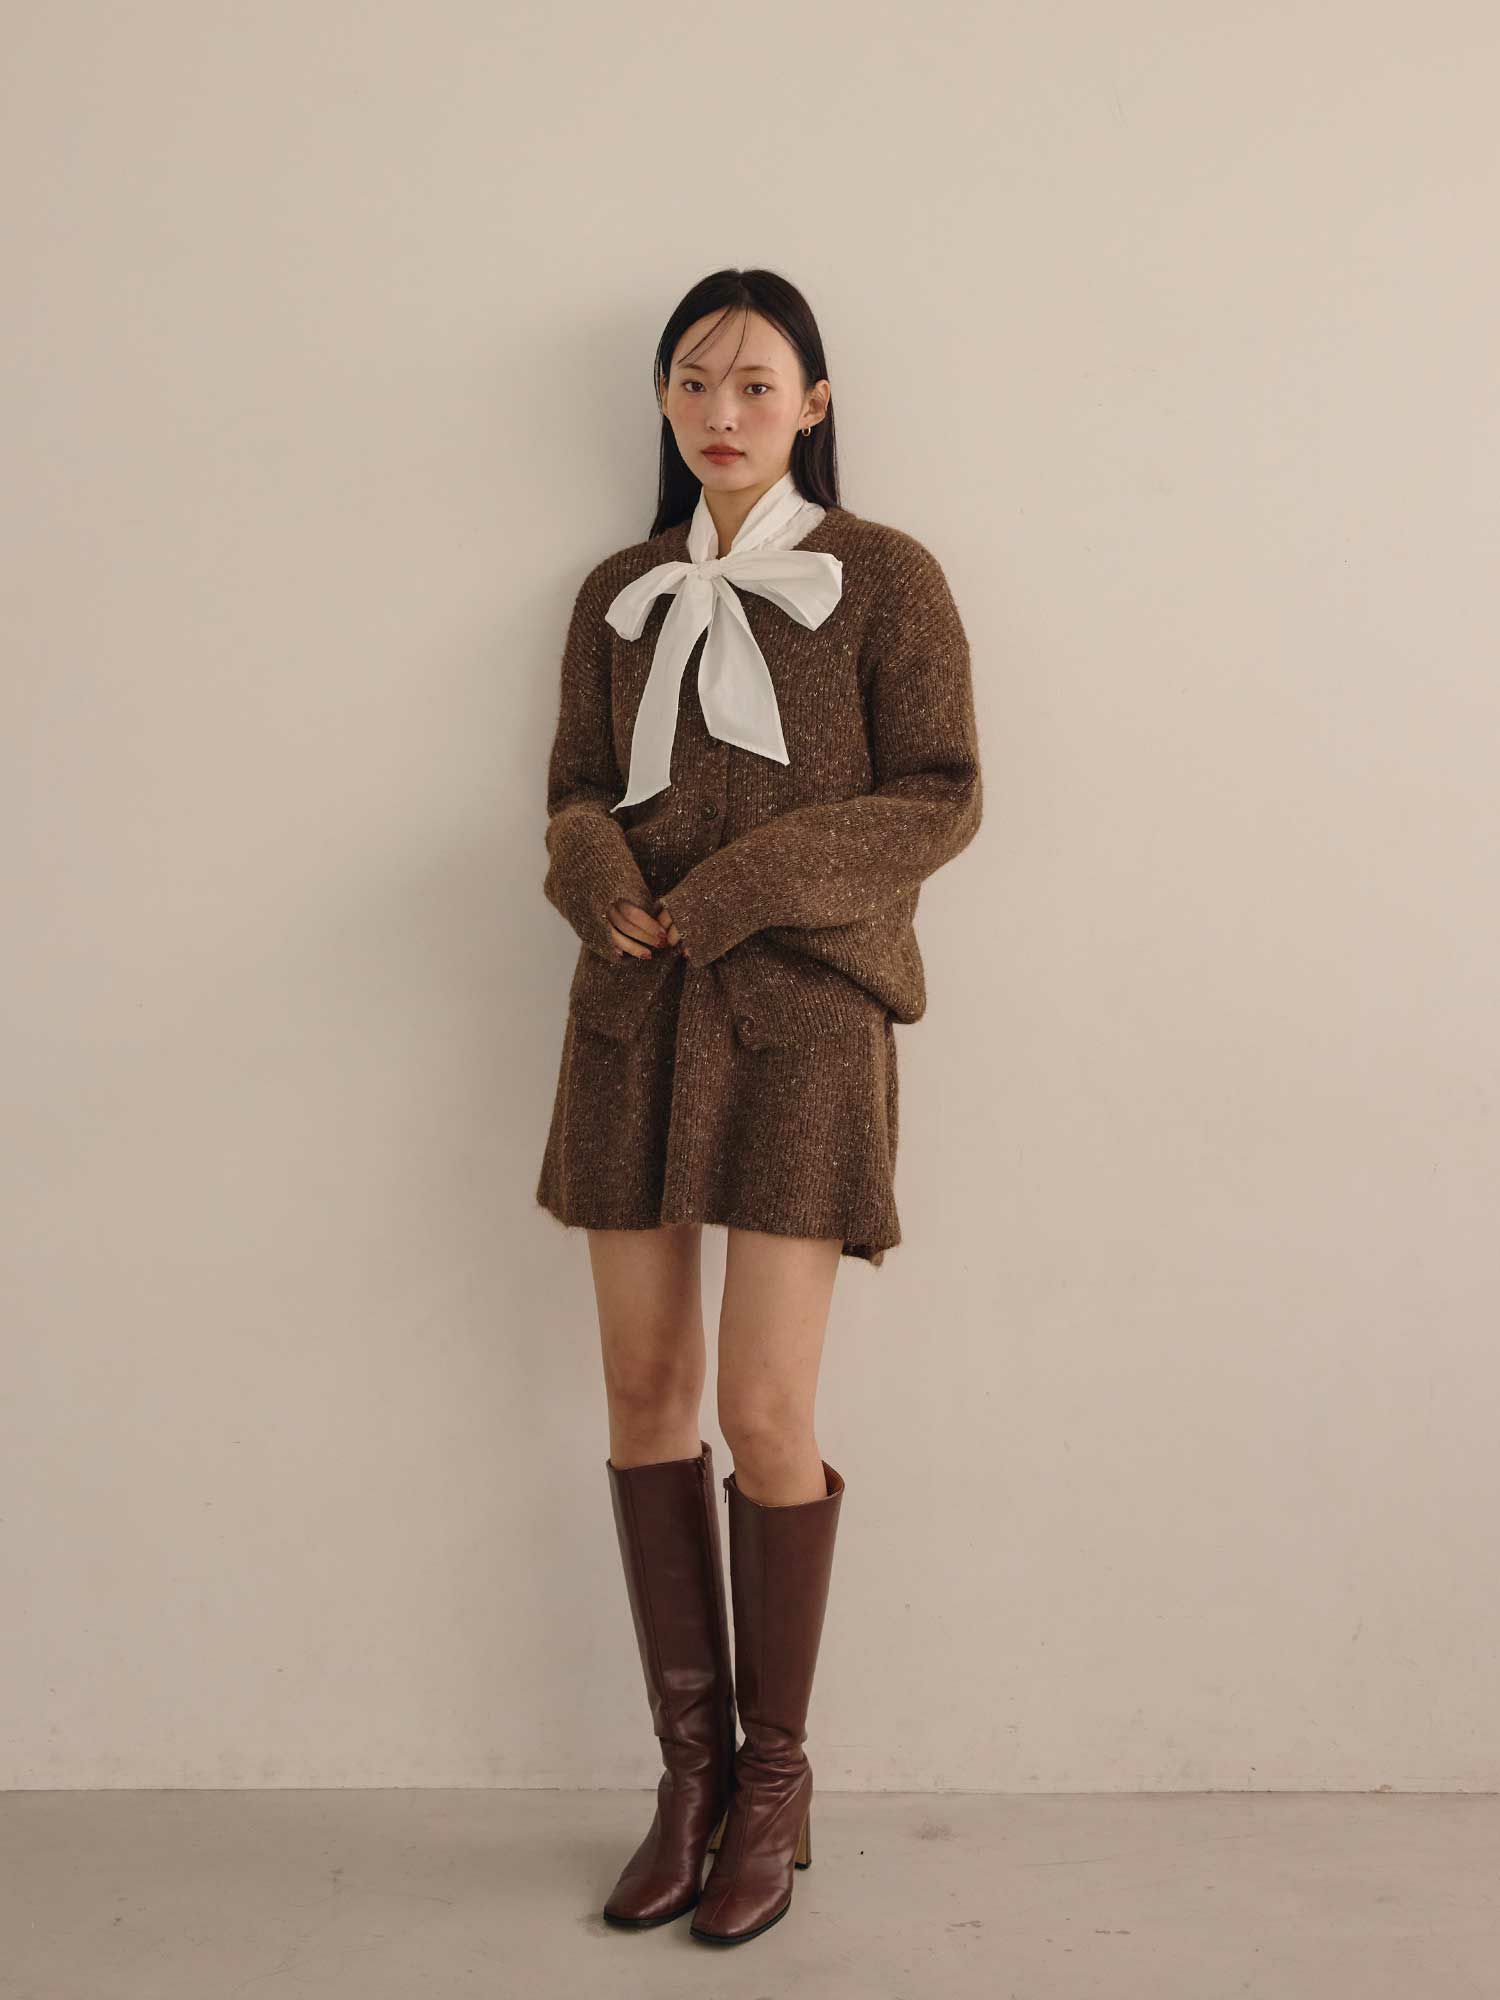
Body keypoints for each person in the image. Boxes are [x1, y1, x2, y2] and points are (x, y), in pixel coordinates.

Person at [535, 268, 983, 1946]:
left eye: (755, 383)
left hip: (801, 1024)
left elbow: (940, 797)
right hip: (633, 1017)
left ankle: (775, 1791)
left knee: (766, 1407)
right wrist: (594, 876)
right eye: (692, 383)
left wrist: (740, 888)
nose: (720, 412)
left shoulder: (886, 579)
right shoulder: (619, 591)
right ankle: (691, 1781)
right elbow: (575, 787)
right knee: (646, 1392)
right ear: (665, 403)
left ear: (814, 403)